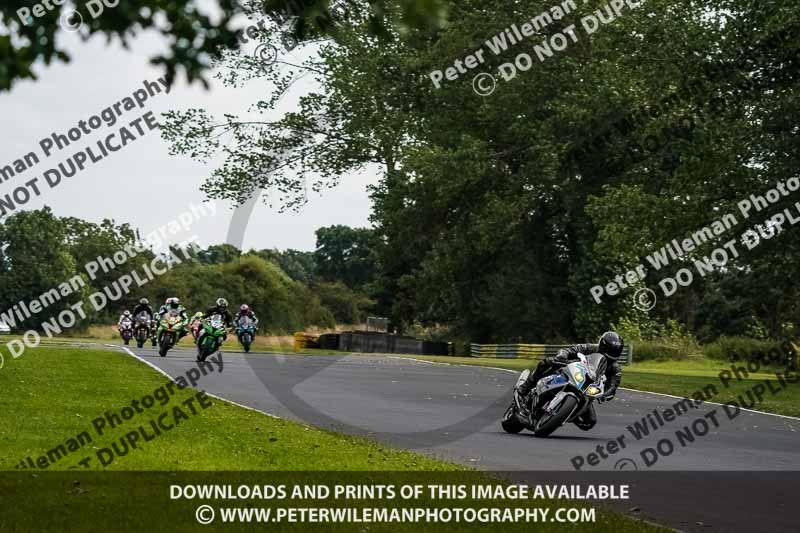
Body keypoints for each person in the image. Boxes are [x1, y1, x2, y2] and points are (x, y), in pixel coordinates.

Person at [515, 331, 624, 431]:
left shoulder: (615, 369)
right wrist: (562, 355)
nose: (611, 353)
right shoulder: (590, 348)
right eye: (609, 349)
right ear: (602, 345)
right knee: (546, 363)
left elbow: (612, 386)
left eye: (615, 351)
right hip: (571, 372)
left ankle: (565, 413)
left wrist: (605, 394)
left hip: (586, 389)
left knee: (589, 422)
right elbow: (569, 350)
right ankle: (524, 388)